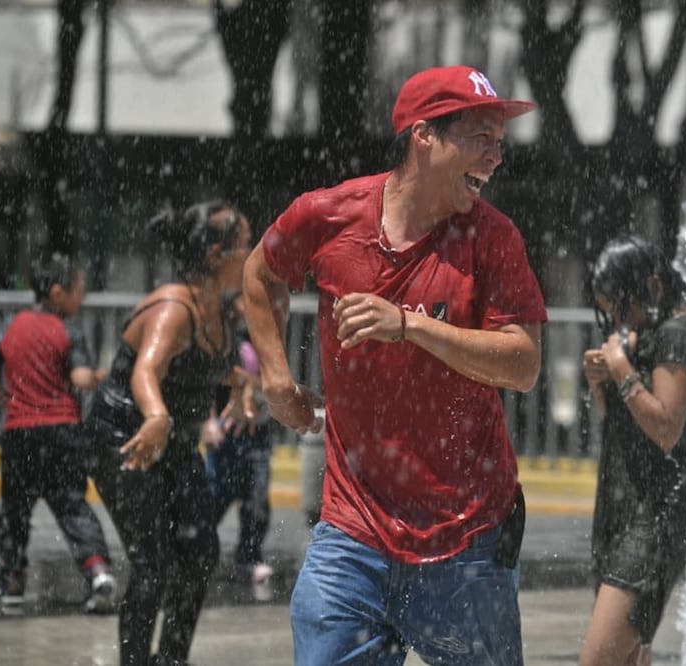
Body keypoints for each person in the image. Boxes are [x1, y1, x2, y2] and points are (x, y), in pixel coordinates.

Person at [241, 65, 546, 665]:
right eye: (480, 139)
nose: (495, 157)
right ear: (424, 135)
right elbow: (260, 273)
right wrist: (277, 381)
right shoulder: (328, 216)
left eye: (499, 143)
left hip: (468, 538)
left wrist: (410, 325)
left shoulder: (494, 238)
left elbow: (523, 363)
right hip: (352, 533)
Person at [82, 200, 252, 666]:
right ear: (217, 254)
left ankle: (172, 659)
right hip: (126, 439)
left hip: (174, 443)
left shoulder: (218, 309)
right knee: (152, 564)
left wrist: (240, 383)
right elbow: (146, 372)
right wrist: (155, 415)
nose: (253, 253)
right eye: (245, 244)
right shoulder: (174, 308)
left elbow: (202, 364)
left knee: (200, 551)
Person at [579, 235, 686, 666]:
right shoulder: (645, 335)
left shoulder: (678, 336)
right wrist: (601, 382)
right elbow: (621, 425)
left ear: (653, 286)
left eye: (622, 307)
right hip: (621, 512)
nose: (618, 320)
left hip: (654, 520)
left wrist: (620, 369)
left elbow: (667, 429)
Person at [0, 253, 117, 613]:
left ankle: (12, 579)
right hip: (61, 431)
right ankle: (98, 572)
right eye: (78, 290)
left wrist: (5, 400)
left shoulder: (11, 325)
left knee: (14, 511)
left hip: (19, 431)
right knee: (72, 506)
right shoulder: (67, 330)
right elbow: (80, 379)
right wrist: (97, 377)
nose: (82, 297)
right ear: (57, 292)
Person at [202, 334, 276, 602]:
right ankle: (194, 551)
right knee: (215, 497)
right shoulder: (225, 336)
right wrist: (209, 422)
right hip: (227, 430)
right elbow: (210, 380)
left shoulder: (269, 336)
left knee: (257, 500)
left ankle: (249, 556)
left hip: (257, 431)